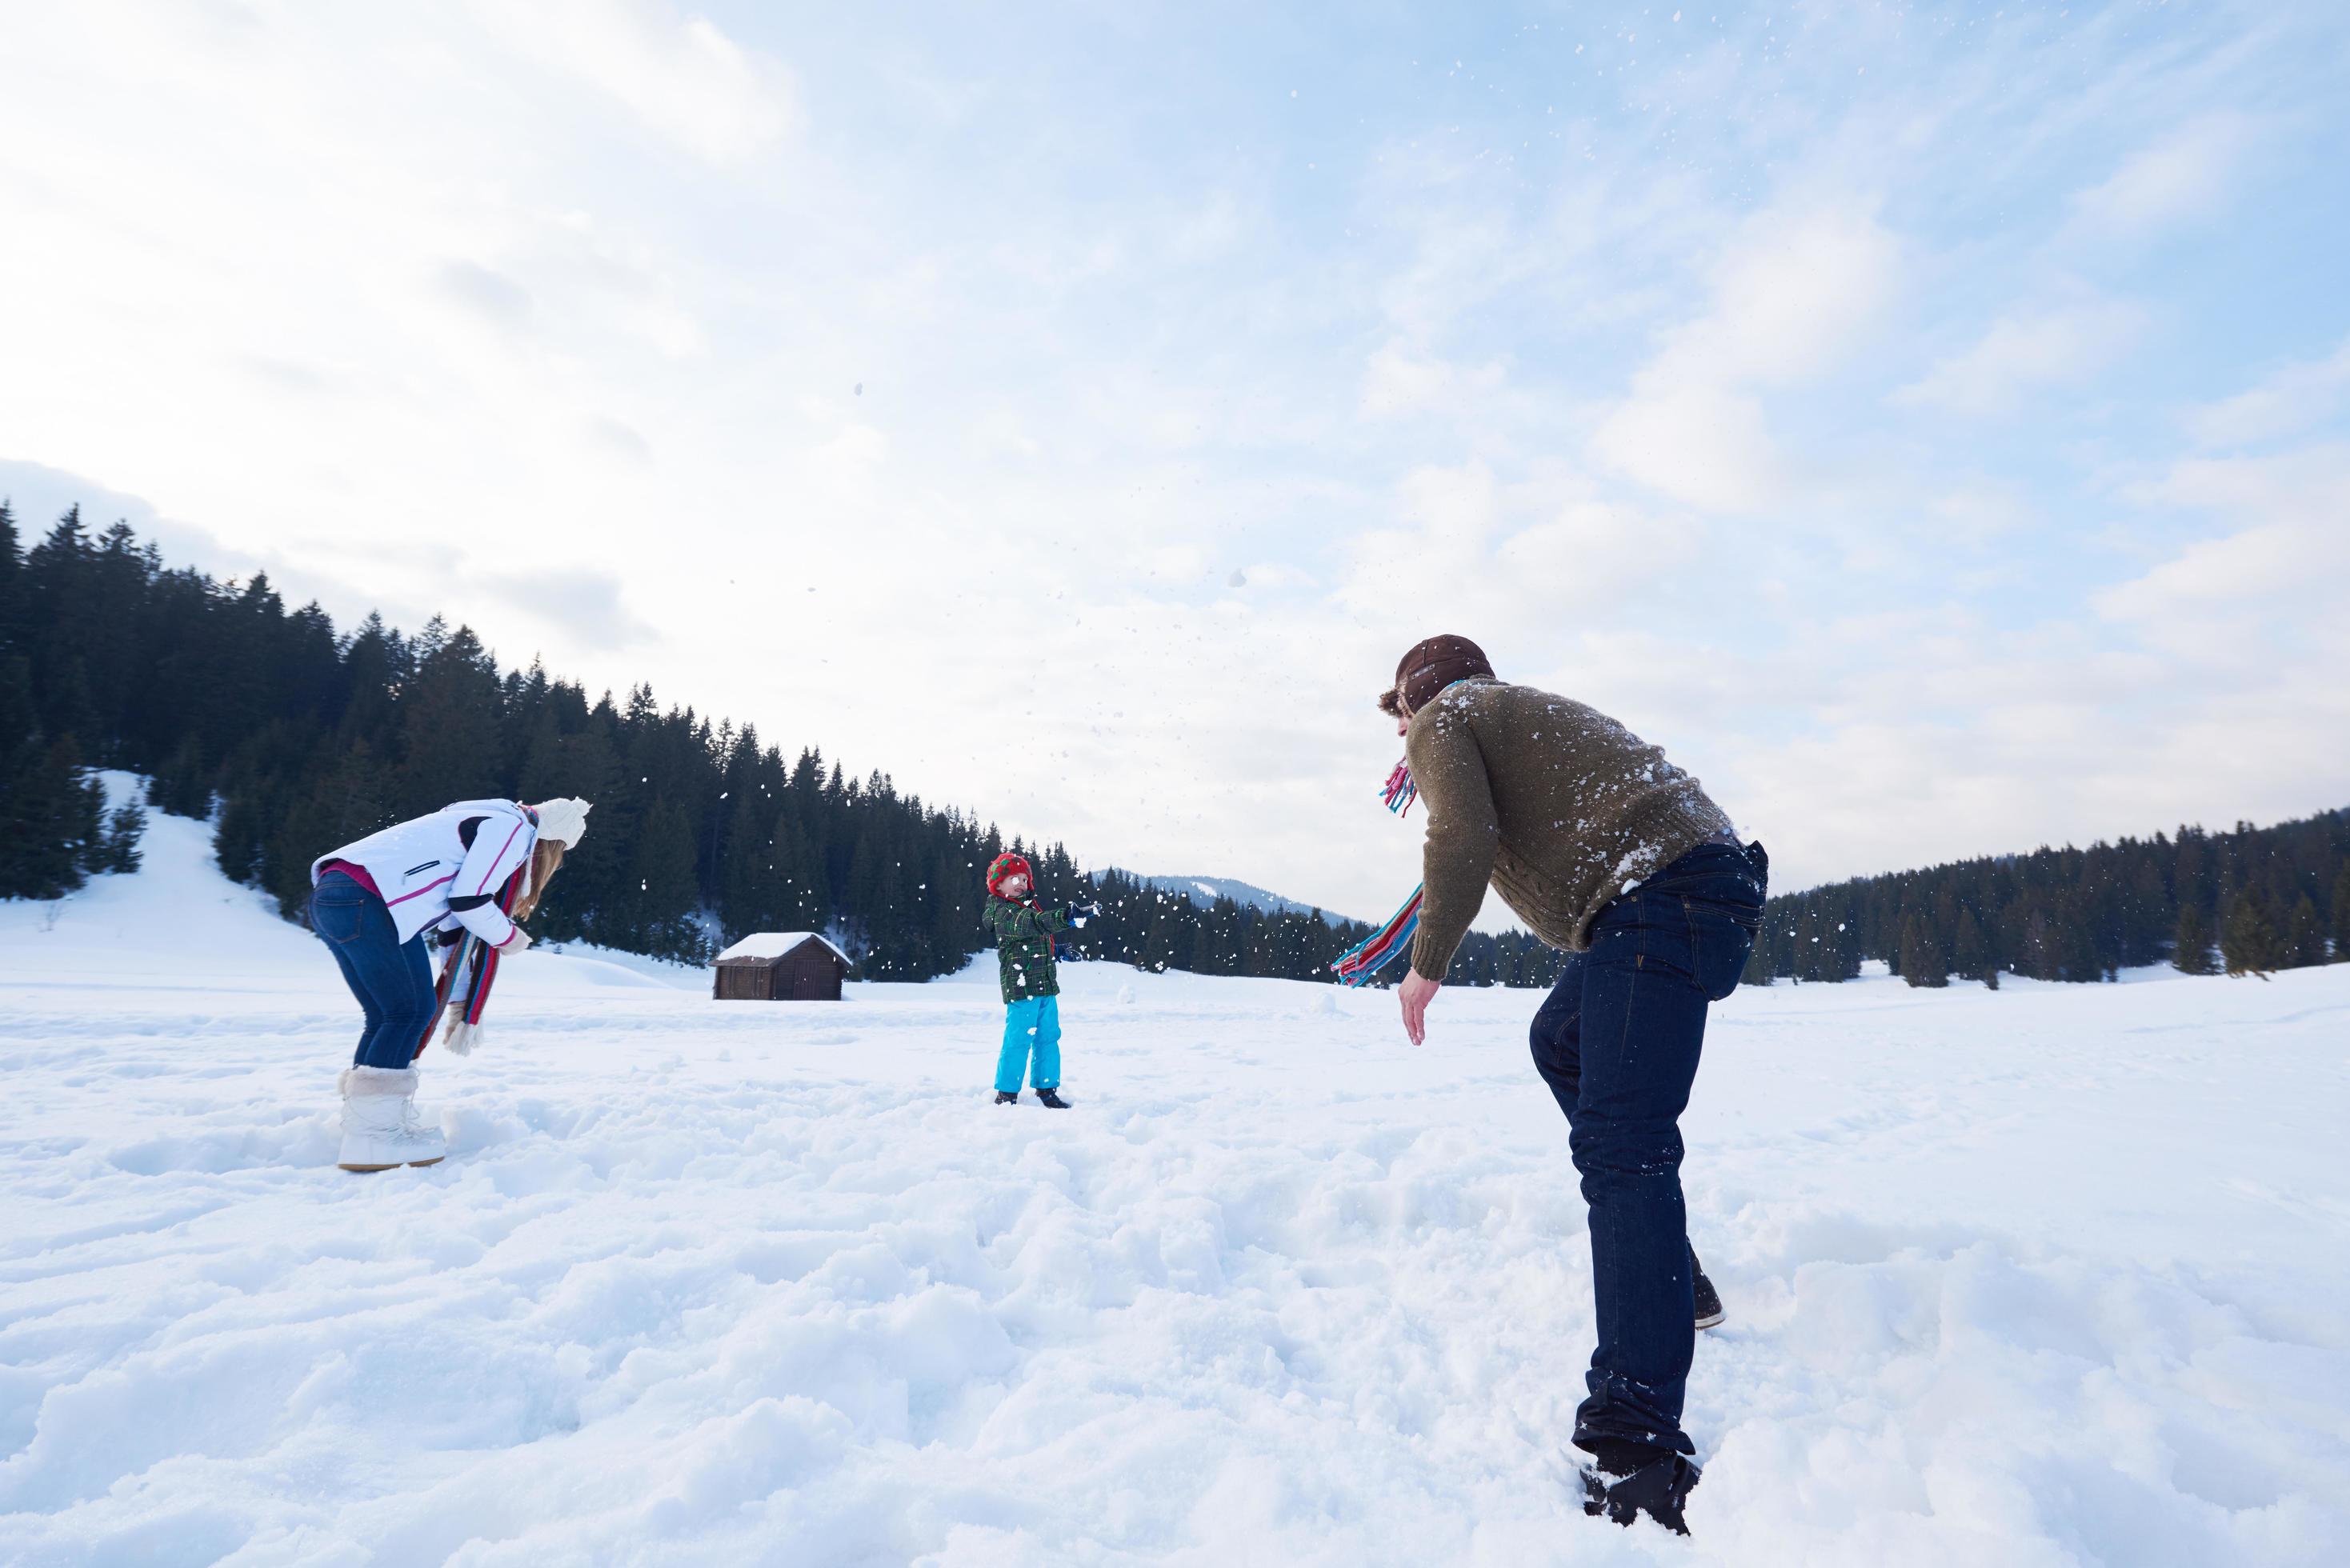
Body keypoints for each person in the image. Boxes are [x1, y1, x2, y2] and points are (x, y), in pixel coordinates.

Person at [1380, 634, 1765, 1535]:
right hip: (1688, 888)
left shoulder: (1450, 714)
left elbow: (1461, 833)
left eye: (1398, 707)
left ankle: (1637, 1444)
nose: (1398, 727)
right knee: (1562, 1040)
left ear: (1419, 692)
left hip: (1657, 899)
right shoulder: (1512, 713)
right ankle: (1672, 1279)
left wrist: (1426, 962)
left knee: (1623, 1145)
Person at [308, 796, 592, 1171]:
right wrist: (509, 938)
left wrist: (459, 1002)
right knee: (408, 1012)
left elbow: (451, 932)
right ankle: (373, 1137)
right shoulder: (516, 828)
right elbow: (470, 901)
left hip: (334, 895)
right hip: (370, 901)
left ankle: (368, 1124)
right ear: (551, 843)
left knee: (388, 1014)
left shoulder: (476, 817)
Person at [979, 851, 1095, 1107]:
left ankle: (1047, 1088)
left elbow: (1034, 940)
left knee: (1048, 1037)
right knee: (1018, 1040)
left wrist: (1058, 950)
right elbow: (1032, 924)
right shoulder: (1004, 913)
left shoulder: (1026, 908)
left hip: (1044, 986)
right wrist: (1065, 916)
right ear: (998, 884)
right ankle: (1007, 1093)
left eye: (1024, 878)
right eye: (1014, 878)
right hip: (1022, 988)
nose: (1021, 883)